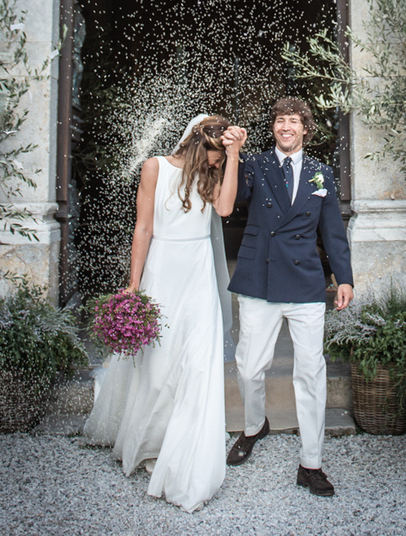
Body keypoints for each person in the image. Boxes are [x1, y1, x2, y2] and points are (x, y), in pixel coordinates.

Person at [84, 115, 247, 512]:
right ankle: (151, 443)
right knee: (156, 366)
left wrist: (234, 155)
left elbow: (225, 208)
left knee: (197, 365)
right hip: (162, 271)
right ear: (196, 145)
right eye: (213, 156)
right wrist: (133, 284)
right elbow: (143, 228)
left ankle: (187, 453)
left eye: (219, 160)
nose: (215, 164)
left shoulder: (213, 175)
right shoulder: (154, 167)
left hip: (198, 279)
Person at [225, 98, 354, 497]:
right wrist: (232, 152)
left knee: (311, 372)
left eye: (293, 121)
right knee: (249, 367)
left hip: (304, 283)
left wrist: (344, 278)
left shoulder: (322, 174)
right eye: (280, 120)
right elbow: (230, 201)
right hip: (259, 279)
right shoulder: (255, 166)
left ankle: (311, 463)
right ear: (274, 128)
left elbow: (333, 230)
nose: (286, 127)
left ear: (305, 129)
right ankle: (253, 426)